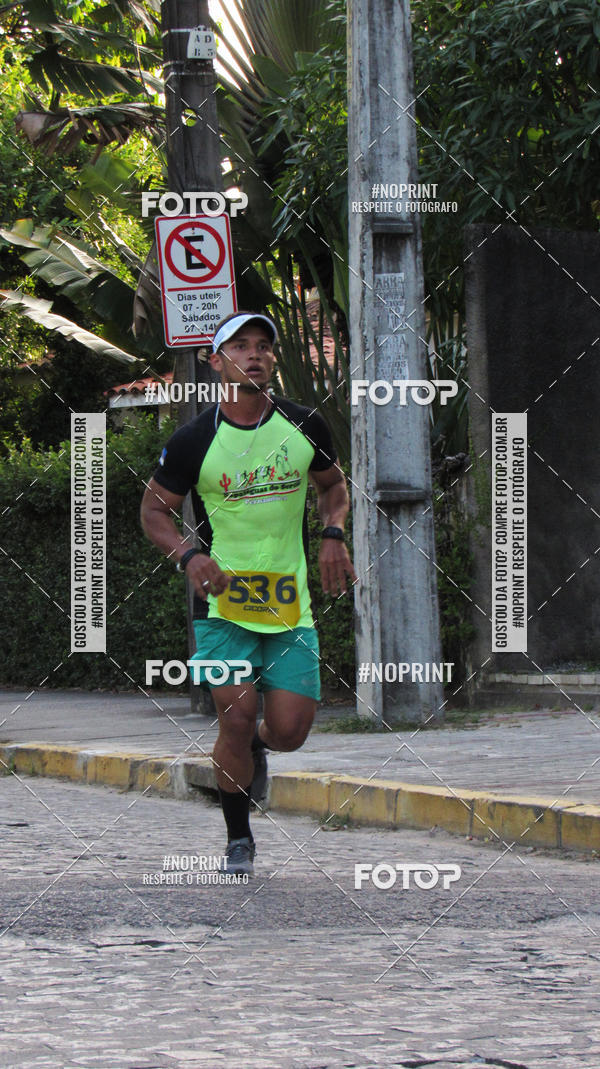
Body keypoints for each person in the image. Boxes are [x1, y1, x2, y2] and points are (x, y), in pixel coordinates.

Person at [140, 311, 355, 876]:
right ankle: (239, 839)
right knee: (235, 718)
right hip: (221, 607)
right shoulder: (193, 440)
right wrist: (189, 555)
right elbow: (153, 511)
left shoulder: (305, 424)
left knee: (289, 733)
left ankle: (259, 745)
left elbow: (333, 487)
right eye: (239, 347)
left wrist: (333, 533)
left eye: (263, 345)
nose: (254, 354)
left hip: (289, 606)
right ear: (216, 362)